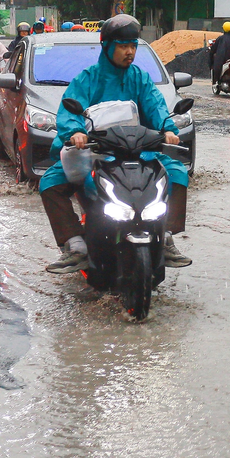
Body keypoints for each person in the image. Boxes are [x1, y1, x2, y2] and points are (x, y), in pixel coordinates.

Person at [41, 14, 192, 274]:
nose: (129, 52)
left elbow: (156, 106)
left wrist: (168, 129)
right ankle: (75, 244)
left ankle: (166, 236)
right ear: (107, 46)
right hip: (97, 152)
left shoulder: (140, 78)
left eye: (133, 45)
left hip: (138, 150)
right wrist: (76, 132)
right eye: (123, 46)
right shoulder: (88, 78)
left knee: (177, 173)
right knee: (50, 182)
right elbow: (70, 110)